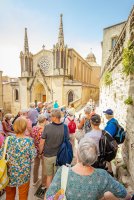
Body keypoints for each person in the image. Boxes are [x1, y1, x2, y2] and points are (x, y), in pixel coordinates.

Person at [45, 138, 129, 200]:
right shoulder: (102, 175)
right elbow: (123, 194)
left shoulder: (62, 172)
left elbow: (48, 196)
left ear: (77, 154)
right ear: (95, 158)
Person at [0, 117, 36, 200]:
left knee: (9, 195)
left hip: (9, 172)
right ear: (25, 127)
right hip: (23, 173)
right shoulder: (29, 141)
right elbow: (33, 156)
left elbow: (1, 154)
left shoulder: (8, 139)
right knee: (23, 195)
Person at [39, 109, 68, 188]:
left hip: (48, 155)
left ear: (55, 117)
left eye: (51, 116)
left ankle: (49, 195)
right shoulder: (65, 127)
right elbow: (67, 142)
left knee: (49, 176)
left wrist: (40, 152)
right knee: (57, 177)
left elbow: (42, 143)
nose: (50, 118)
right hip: (60, 156)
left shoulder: (47, 127)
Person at [31, 114, 48, 188]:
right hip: (43, 150)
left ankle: (35, 180)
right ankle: (44, 183)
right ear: (44, 120)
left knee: (36, 165)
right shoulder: (45, 129)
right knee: (44, 167)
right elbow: (42, 143)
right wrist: (40, 152)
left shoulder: (34, 128)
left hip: (35, 149)